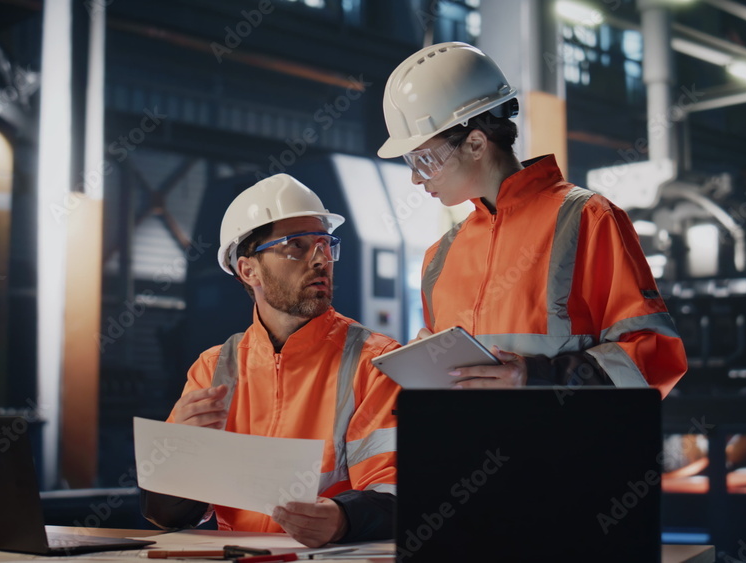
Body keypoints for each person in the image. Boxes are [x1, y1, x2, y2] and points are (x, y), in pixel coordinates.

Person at [377, 42, 687, 395]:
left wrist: (536, 376)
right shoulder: (440, 258)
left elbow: (654, 357)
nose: (417, 178)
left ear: (476, 144)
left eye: (424, 161)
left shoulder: (588, 219)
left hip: (565, 449)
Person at [140, 174, 401, 547]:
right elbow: (166, 515)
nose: (321, 260)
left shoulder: (375, 364)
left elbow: (397, 495)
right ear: (249, 270)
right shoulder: (212, 368)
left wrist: (343, 519)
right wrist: (176, 452)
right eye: (297, 246)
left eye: (325, 245)